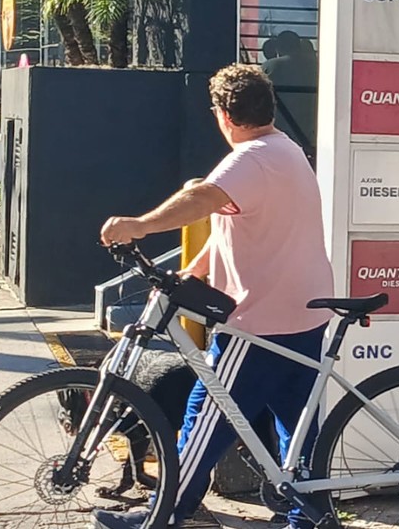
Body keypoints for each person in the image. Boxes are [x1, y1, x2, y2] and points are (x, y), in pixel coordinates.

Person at [96, 64, 335, 529]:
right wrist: (197, 269)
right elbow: (246, 225)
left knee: (205, 417)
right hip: (305, 316)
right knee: (299, 426)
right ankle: (308, 517)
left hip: (259, 324)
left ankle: (163, 514)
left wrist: (139, 225)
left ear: (222, 115)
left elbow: (201, 199)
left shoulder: (249, 159)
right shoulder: (287, 152)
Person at [261, 30, 319, 157]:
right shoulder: (318, 66)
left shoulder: (269, 67)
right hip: (312, 133)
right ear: (298, 46)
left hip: (279, 133)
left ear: (278, 48)